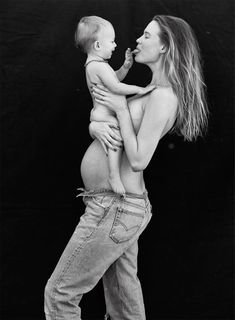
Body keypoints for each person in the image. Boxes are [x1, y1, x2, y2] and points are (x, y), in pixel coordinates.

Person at [44, 15, 208, 320]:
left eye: (147, 36)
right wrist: (96, 127)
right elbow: (109, 124)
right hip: (114, 206)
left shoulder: (162, 97)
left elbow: (138, 159)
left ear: (164, 46)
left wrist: (119, 109)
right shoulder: (150, 91)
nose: (138, 41)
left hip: (116, 207)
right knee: (123, 304)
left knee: (60, 294)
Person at [75, 16, 155, 194]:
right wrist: (140, 90)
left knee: (115, 139)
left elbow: (114, 79)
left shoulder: (97, 65)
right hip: (104, 116)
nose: (115, 45)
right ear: (97, 46)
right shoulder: (98, 66)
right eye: (111, 41)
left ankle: (114, 174)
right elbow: (116, 87)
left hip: (100, 115)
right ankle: (113, 175)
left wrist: (125, 68)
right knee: (116, 140)